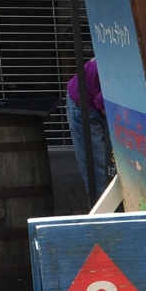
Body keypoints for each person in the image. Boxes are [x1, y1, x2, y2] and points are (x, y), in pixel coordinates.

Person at [66, 58, 112, 198]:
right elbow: (101, 102)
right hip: (83, 102)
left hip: (95, 93)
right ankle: (102, 208)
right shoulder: (121, 66)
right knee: (99, 171)